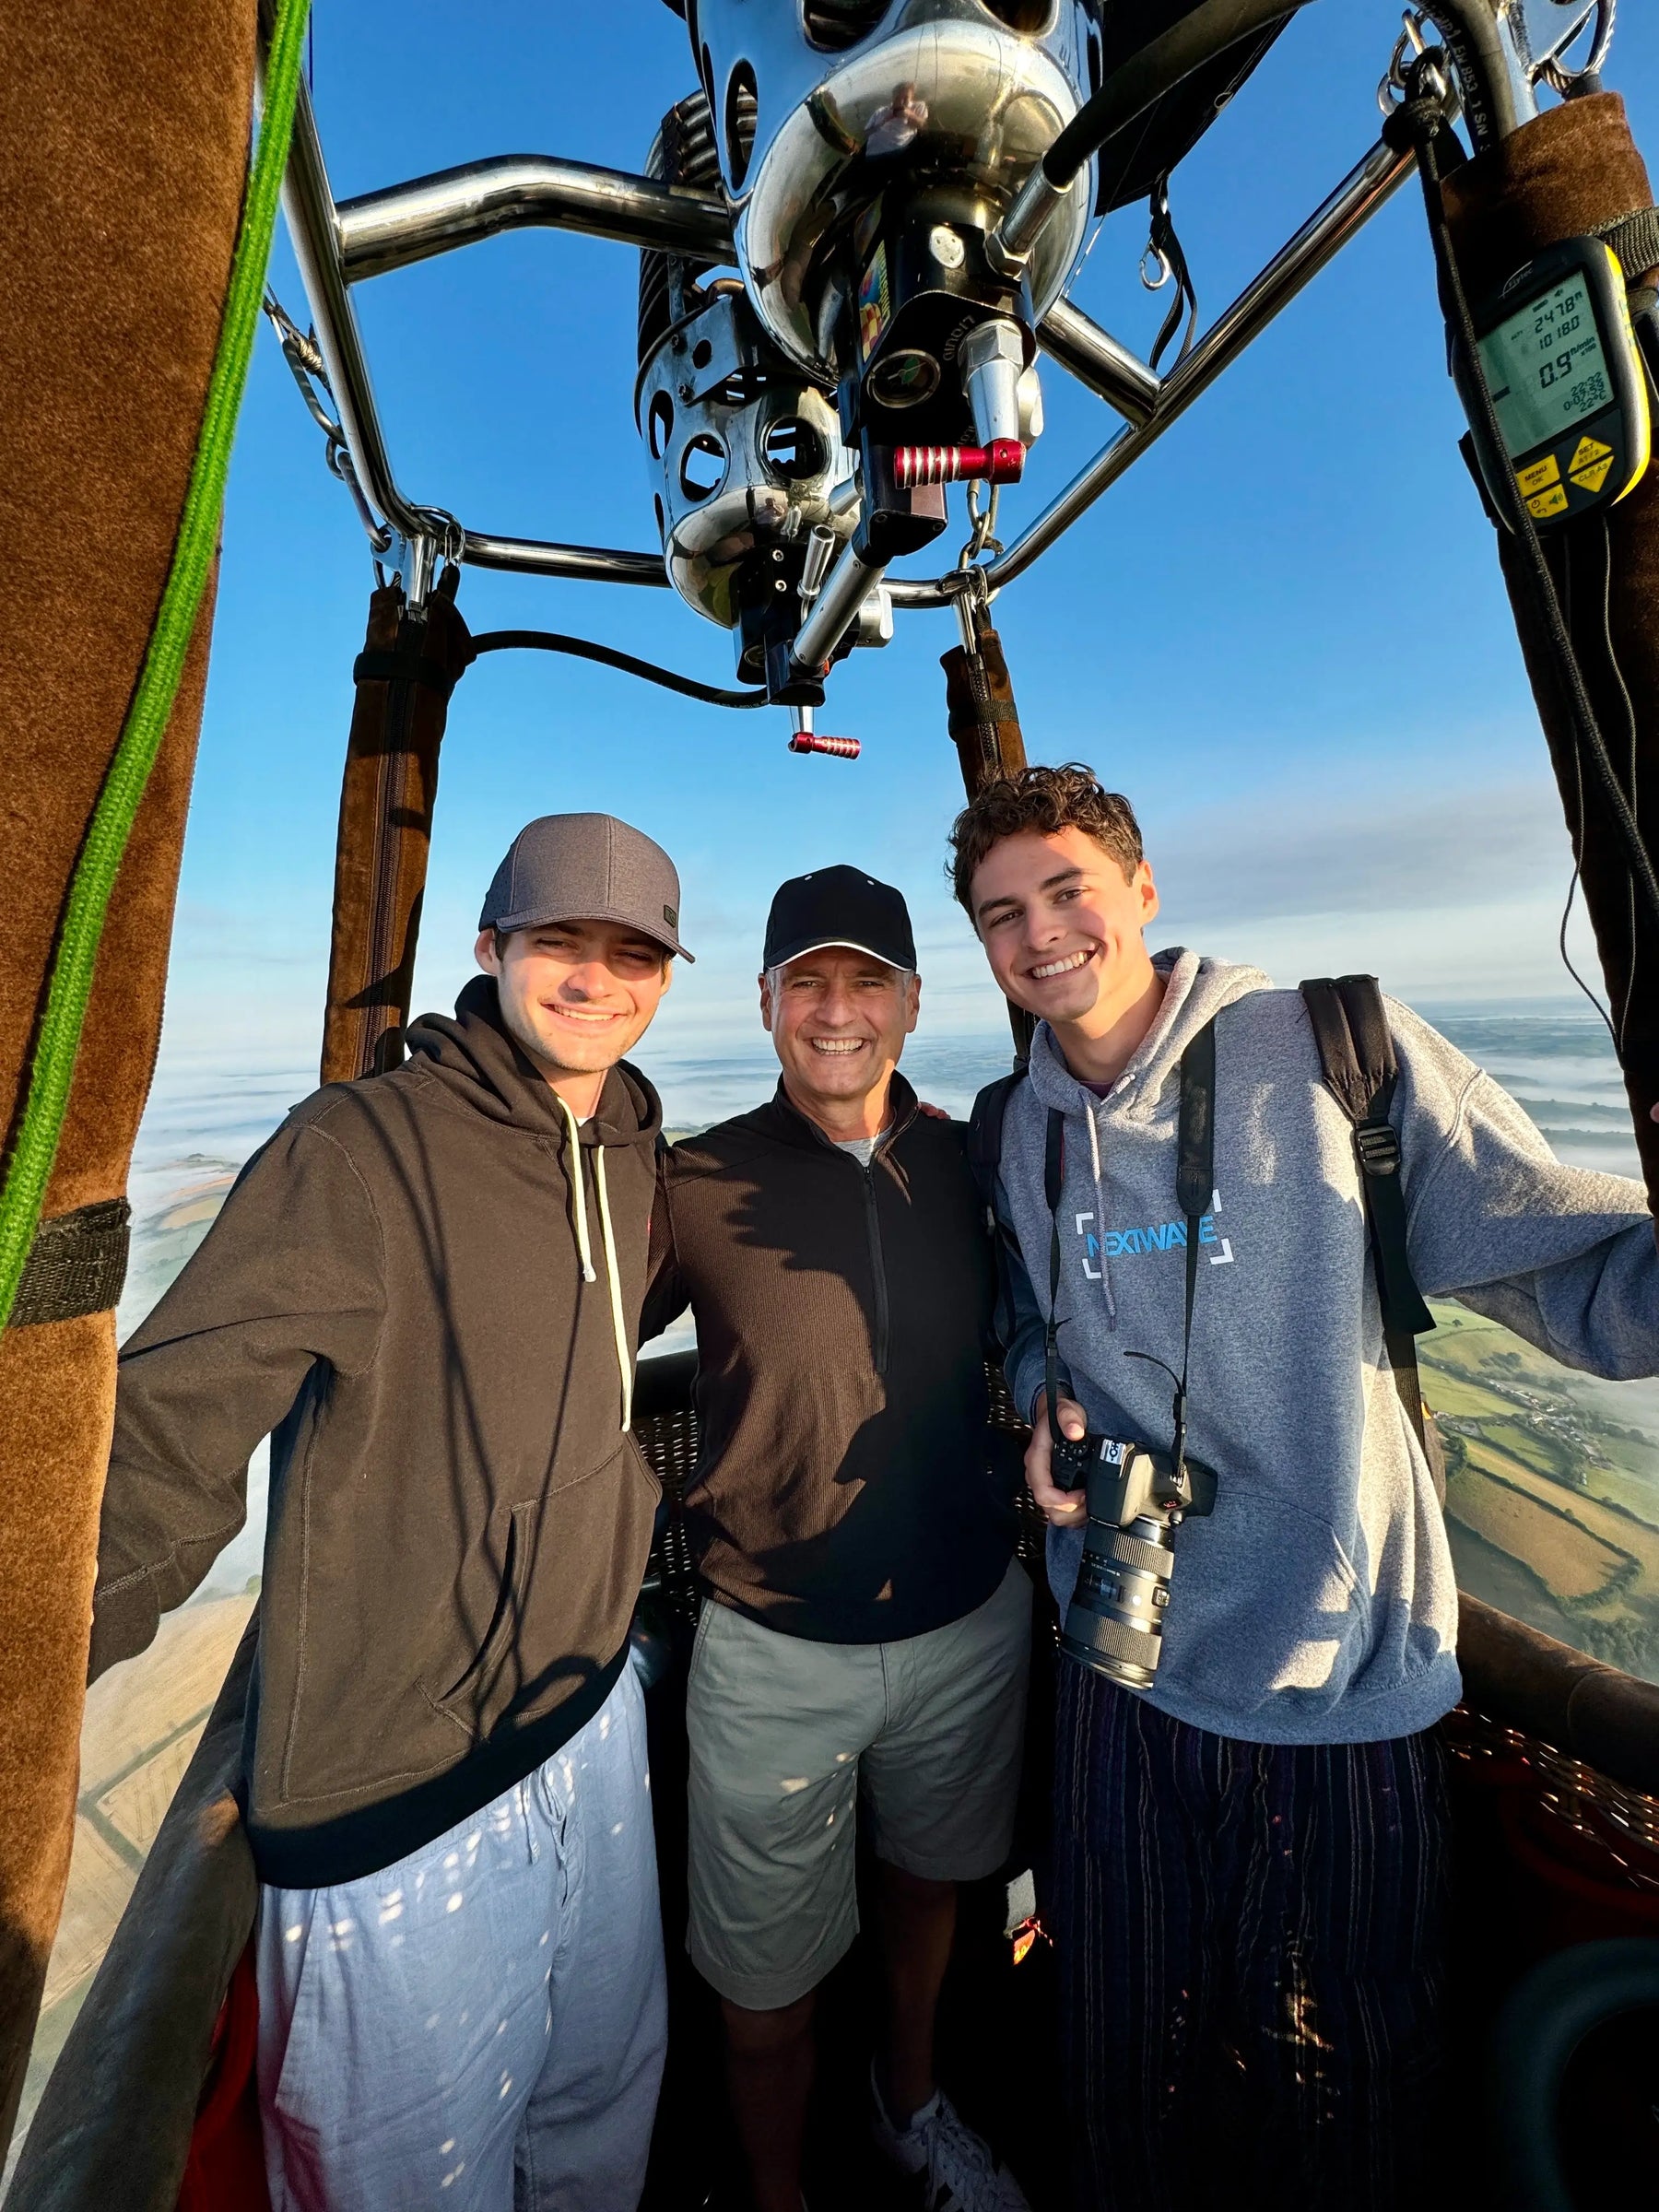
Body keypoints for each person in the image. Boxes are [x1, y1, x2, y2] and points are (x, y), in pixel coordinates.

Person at [947, 763, 1659, 2212]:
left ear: (1142, 891)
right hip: (1122, 1674)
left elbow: (1582, 1276)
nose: (1040, 935)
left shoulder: (1335, 1050)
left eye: (1068, 888)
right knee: (1118, 2045)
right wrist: (1041, 1401)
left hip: (1337, 1687)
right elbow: (1028, 1315)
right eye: (1000, 913)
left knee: (1348, 2073)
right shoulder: (1014, 1126)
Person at [89, 813, 689, 2212]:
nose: (596, 982)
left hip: (591, 1718)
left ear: (666, 977)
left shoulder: (632, 1144)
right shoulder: (353, 1155)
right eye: (560, 946)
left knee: (602, 2114)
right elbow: (171, 1440)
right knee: (409, 2181)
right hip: (394, 1799)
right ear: (491, 952)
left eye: (632, 953)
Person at [641, 865, 1033, 2212]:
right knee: (762, 1978)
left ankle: (906, 2105)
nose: (837, 1010)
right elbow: (550, 1299)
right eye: (807, 981)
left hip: (968, 1619)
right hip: (772, 1653)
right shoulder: (692, 1181)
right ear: (762, 1003)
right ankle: (775, 2192)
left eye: (868, 980)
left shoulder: (976, 1159)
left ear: (916, 1004)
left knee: (936, 1893)